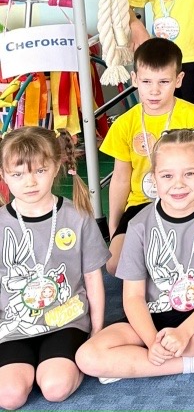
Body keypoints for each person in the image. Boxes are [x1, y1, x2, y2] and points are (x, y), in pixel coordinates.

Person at [77, 131, 194, 381]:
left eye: (189, 174)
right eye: (167, 176)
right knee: (88, 356)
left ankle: (136, 365)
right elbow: (133, 297)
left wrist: (185, 332)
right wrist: (151, 342)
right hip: (150, 317)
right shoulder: (138, 225)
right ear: (153, 179)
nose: (178, 184)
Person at [101, 39, 194, 275]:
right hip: (142, 203)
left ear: (178, 80)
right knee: (115, 264)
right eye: (146, 81)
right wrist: (114, 225)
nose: (154, 90)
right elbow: (120, 177)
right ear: (134, 79)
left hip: (188, 199)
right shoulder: (124, 124)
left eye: (164, 82)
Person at [0, 128, 105, 407]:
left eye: (40, 170)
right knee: (9, 397)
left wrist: (96, 331)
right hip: (14, 325)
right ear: (3, 175)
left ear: (56, 166)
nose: (30, 182)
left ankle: (59, 366)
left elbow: (92, 277)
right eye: (18, 174)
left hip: (65, 320)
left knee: (55, 389)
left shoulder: (77, 215)